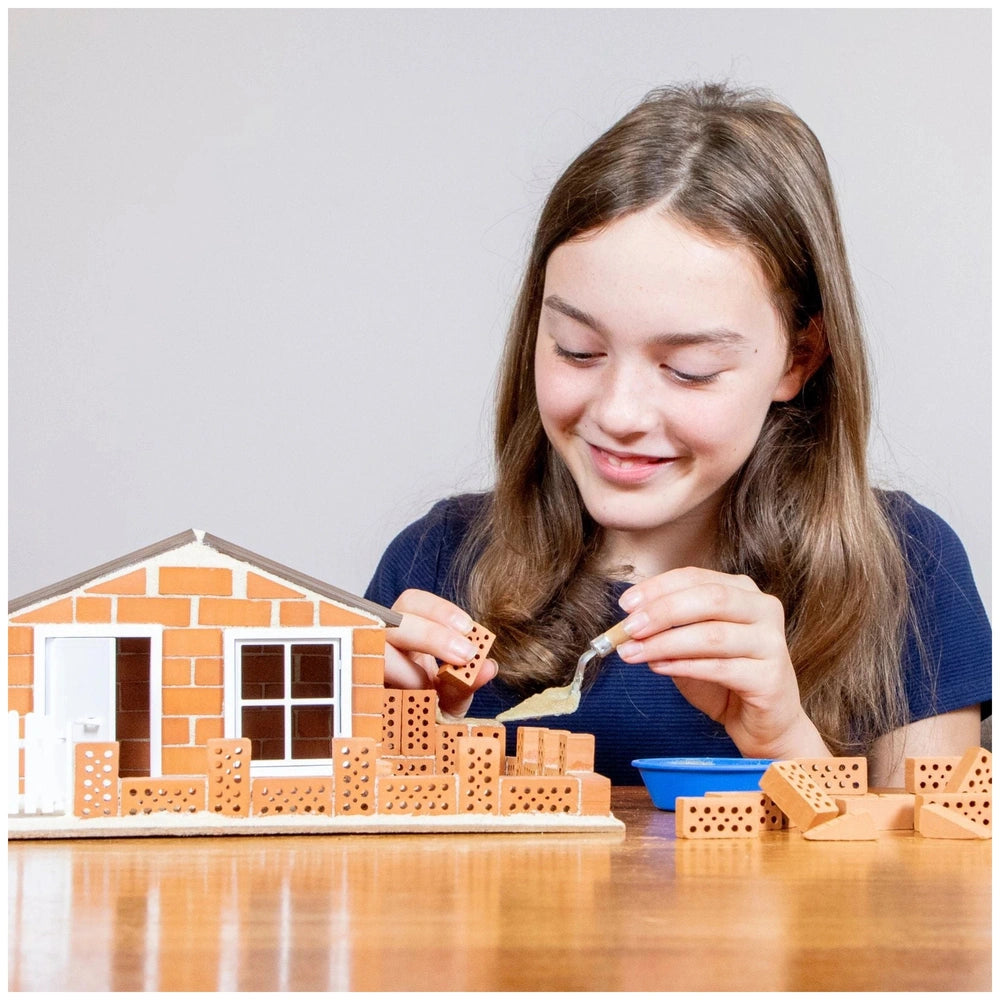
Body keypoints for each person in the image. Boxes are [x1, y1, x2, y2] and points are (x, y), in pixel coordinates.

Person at [364, 82, 991, 786]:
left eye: (688, 369)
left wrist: (786, 740)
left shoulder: (906, 572)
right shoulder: (434, 563)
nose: (621, 412)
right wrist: (384, 744)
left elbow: (935, 882)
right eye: (577, 349)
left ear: (798, 357)